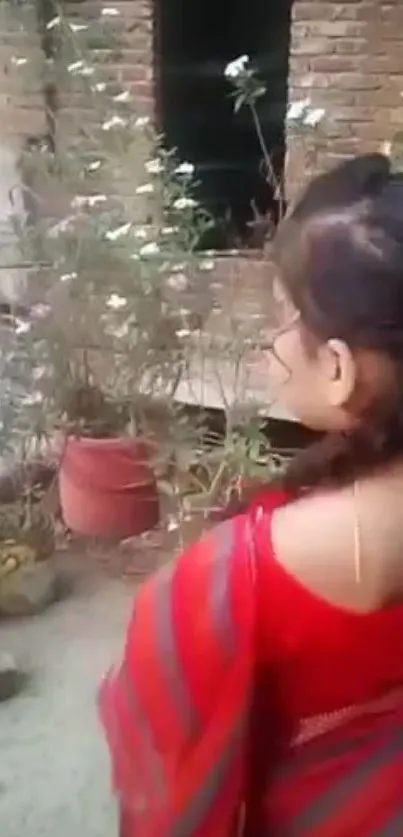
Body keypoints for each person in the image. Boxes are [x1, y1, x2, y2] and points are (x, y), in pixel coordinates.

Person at [99, 153, 403, 836]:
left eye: (285, 317)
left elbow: (171, 802)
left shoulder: (228, 583)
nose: (269, 343)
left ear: (337, 369)